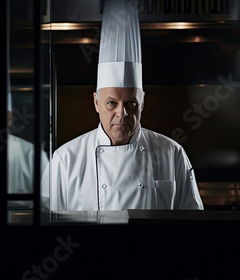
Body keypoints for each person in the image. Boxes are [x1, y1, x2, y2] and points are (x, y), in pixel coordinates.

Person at [48, 0, 203, 211]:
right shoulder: (65, 159)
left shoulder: (172, 153)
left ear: (142, 102)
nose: (122, 113)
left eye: (131, 103)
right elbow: (47, 226)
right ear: (96, 102)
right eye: (111, 103)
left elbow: (192, 223)